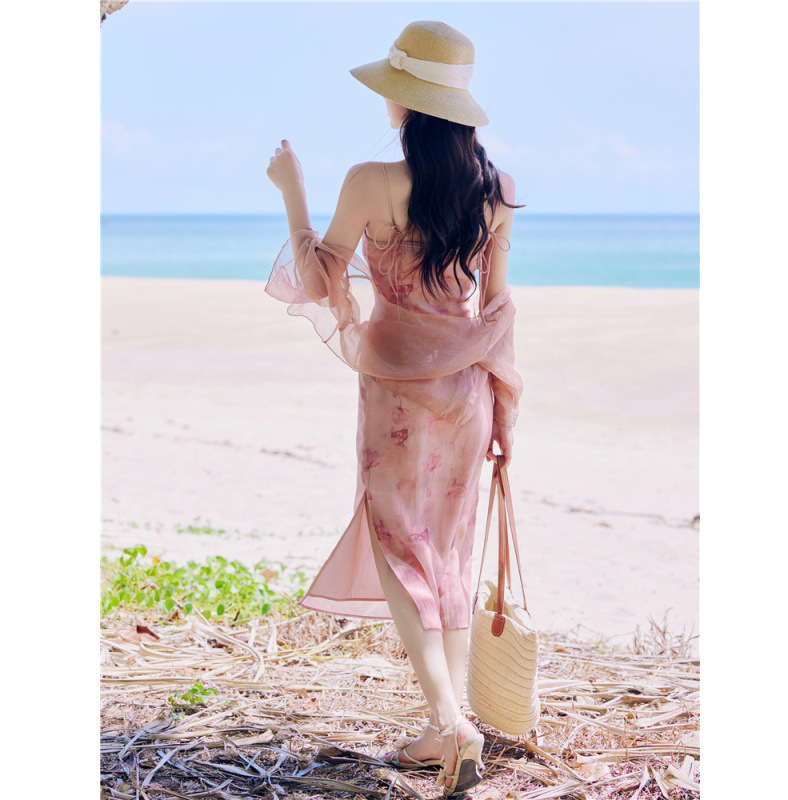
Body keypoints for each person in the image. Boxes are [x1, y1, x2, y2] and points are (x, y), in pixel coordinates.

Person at [265, 20, 523, 796]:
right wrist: (505, 413)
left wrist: (292, 192)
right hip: (469, 393)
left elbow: (321, 281)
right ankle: (442, 725)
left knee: (400, 549)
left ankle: (451, 722)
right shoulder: (497, 191)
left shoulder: (369, 181)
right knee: (448, 555)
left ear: (406, 102)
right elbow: (499, 308)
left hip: (396, 397)